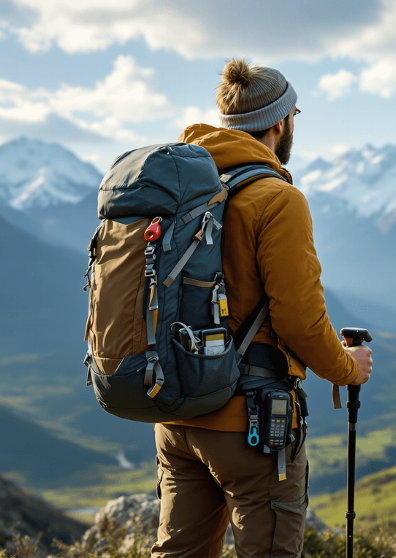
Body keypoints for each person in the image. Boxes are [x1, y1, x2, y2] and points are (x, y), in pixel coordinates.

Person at [152, 59, 373, 558]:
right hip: (248, 424)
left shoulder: (180, 189)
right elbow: (298, 316)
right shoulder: (276, 198)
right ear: (281, 123)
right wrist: (346, 369)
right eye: (296, 113)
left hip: (176, 416)